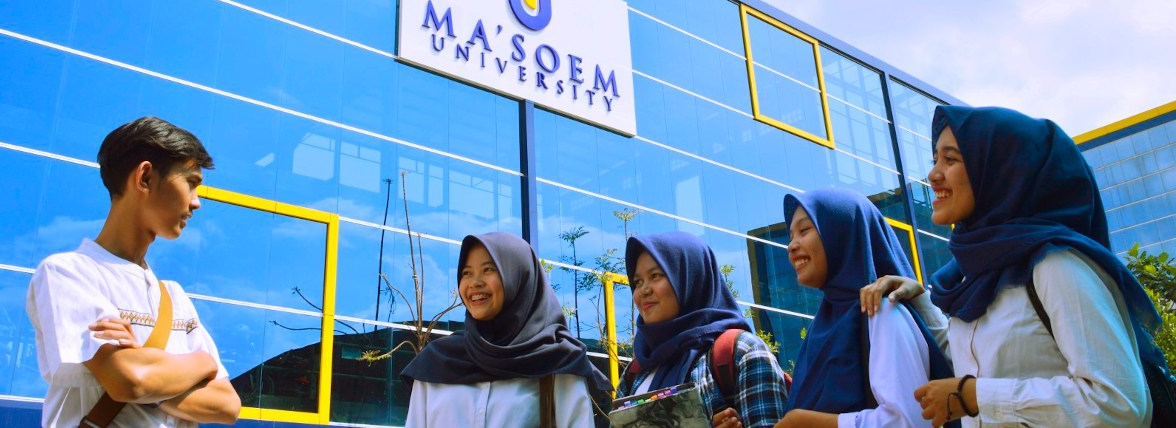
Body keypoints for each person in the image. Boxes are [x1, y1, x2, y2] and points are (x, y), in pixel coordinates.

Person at [864, 105, 1158, 427]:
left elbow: (1119, 403)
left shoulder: (1055, 265)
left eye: (951, 159)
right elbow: (975, 361)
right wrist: (920, 300)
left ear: (1002, 171)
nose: (933, 175)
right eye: (935, 159)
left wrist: (976, 397)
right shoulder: (979, 273)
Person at [25, 116, 240, 427]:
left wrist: (148, 366)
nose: (196, 203)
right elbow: (130, 381)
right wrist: (200, 362)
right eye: (191, 183)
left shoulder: (174, 297)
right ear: (145, 177)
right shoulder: (67, 273)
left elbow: (227, 405)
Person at [775, 188, 953, 428]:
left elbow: (911, 420)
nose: (791, 246)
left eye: (805, 230)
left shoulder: (880, 310)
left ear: (842, 233)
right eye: (790, 236)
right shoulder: (821, 328)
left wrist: (811, 423)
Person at [401, 232, 611, 427]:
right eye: (467, 273)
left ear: (518, 276)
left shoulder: (557, 360)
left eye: (488, 269)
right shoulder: (435, 362)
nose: (475, 282)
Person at [621, 231, 787, 427]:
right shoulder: (635, 372)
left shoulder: (742, 351)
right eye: (638, 282)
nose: (644, 290)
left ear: (690, 277)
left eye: (655, 276)